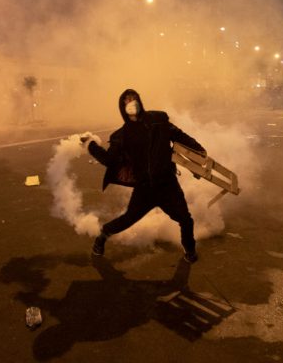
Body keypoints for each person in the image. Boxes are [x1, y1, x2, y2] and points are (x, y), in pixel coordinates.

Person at [83, 89, 206, 263]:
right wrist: (91, 146)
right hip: (145, 188)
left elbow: (179, 136)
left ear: (140, 102)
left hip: (167, 183)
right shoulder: (121, 135)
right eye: (126, 101)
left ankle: (190, 251)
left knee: (186, 219)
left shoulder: (158, 121)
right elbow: (110, 160)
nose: (131, 102)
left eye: (134, 99)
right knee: (128, 219)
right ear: (122, 107)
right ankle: (102, 236)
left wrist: (199, 151)